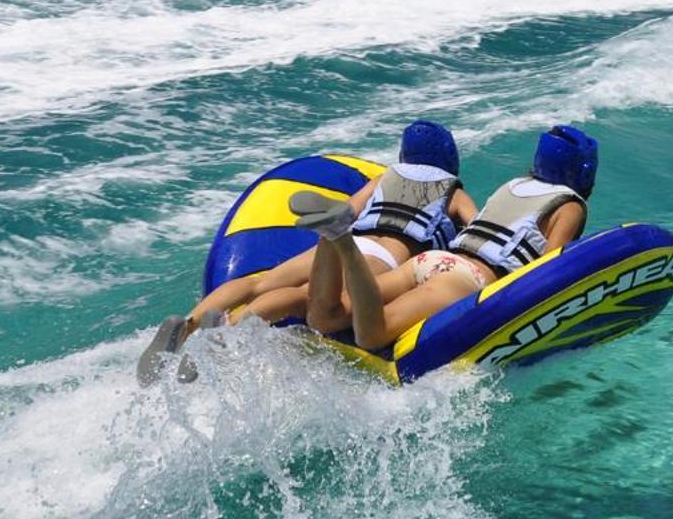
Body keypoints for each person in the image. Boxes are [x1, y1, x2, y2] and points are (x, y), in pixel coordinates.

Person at [136, 119, 477, 382]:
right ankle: (228, 330)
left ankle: (189, 323)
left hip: (352, 238)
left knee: (260, 282)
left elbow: (347, 212)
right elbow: (474, 237)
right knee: (304, 296)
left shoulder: (385, 177)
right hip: (381, 256)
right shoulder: (454, 192)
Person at [289, 125, 597, 353]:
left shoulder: (514, 186)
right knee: (372, 334)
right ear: (584, 171)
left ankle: (329, 238)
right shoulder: (569, 205)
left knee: (327, 318)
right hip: (463, 279)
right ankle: (341, 238)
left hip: (431, 262)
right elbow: (551, 267)